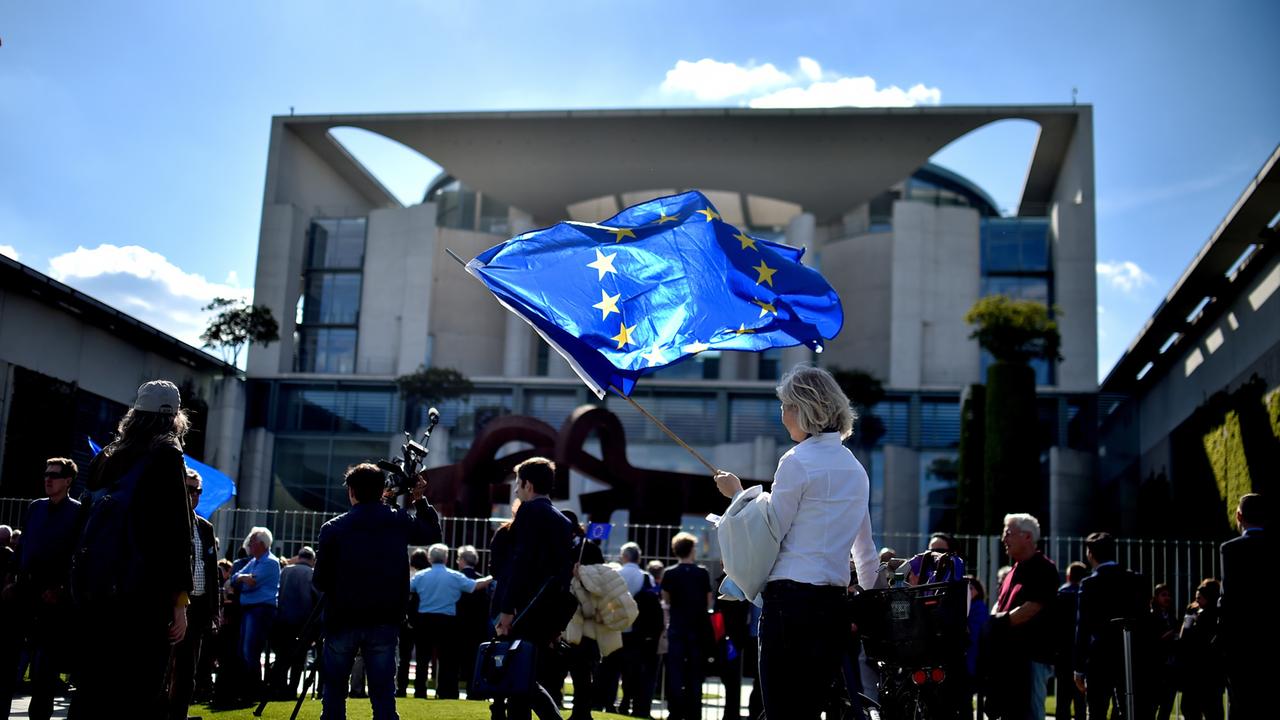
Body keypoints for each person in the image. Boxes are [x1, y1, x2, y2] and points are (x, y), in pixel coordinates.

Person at [713, 364, 878, 720]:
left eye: (786, 405)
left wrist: (737, 494)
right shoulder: (857, 469)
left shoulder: (796, 461)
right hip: (834, 607)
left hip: (790, 603)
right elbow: (865, 552)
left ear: (805, 408)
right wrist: (870, 604)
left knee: (781, 711)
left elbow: (771, 529)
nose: (782, 414)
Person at [71, 380, 194, 719]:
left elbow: (82, 525)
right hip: (143, 596)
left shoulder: (106, 458)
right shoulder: (168, 456)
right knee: (138, 694)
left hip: (96, 593)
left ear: (135, 413)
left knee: (93, 690)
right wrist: (180, 600)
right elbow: (177, 534)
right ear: (174, 417)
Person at [312, 462, 442, 720]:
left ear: (351, 491)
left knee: (334, 691)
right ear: (381, 488)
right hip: (384, 618)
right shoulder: (397, 520)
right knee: (383, 694)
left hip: (342, 618)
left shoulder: (333, 528)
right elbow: (432, 533)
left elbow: (320, 581)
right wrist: (419, 499)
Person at [492, 457, 575, 720]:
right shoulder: (562, 520)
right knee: (523, 679)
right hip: (547, 610)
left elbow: (521, 562)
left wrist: (506, 609)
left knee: (521, 679)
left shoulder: (530, 512)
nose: (516, 490)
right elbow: (564, 572)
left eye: (518, 483)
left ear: (527, 484)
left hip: (523, 609)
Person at [2, 458, 82, 720]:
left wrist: (61, 588)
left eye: (55, 475)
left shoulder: (78, 512)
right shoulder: (35, 508)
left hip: (53, 600)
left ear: (68, 481)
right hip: (24, 591)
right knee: (8, 660)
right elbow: (23, 545)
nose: (48, 479)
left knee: (44, 670)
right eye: (46, 474)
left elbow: (78, 556)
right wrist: (11, 580)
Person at [987, 513, 1059, 720]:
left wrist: (996, 623)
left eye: (1008, 533)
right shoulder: (1011, 572)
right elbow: (1000, 605)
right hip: (1009, 660)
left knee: (1029, 714)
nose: (1004, 539)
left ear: (1027, 537)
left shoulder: (1044, 568)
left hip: (1032, 659)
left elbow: (1031, 609)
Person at [1073, 531, 1149, 720]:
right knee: (1129, 709)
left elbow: (1083, 627)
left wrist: (1079, 668)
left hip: (1100, 656)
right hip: (1130, 654)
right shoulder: (1135, 579)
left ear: (1090, 553)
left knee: (1097, 710)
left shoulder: (1090, 584)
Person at [409, 543, 492, 699]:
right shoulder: (454, 576)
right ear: (446, 558)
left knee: (422, 657)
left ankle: (420, 690)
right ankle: (445, 690)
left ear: (429, 558)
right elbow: (475, 586)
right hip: (447, 620)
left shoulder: (421, 576)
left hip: (424, 619)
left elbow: (408, 588)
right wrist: (491, 577)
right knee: (446, 658)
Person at [169, 467, 221, 720]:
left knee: (188, 669)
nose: (192, 495)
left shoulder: (205, 527)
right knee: (165, 666)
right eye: (187, 489)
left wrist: (215, 608)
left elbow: (212, 569)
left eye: (196, 490)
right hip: (171, 605)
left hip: (199, 606)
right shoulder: (167, 521)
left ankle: (179, 714)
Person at [1218, 492, 1265, 720]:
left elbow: (1229, 597)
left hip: (1241, 639)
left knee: (1240, 703)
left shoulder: (1231, 549)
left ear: (1239, 515)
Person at [660, 532, 712, 720]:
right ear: (691, 549)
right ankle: (693, 712)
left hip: (676, 626)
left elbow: (666, 601)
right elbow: (708, 602)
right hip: (697, 628)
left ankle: (675, 711)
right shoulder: (702, 573)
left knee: (675, 671)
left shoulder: (669, 573)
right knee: (695, 673)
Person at [597, 541, 653, 716]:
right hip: (636, 630)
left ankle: (608, 701)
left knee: (610, 669)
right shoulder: (646, 577)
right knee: (631, 670)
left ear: (624, 556)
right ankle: (626, 703)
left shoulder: (616, 574)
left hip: (614, 628)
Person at [232, 526, 281, 697]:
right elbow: (236, 579)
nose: (249, 545)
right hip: (252, 609)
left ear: (261, 544)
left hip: (260, 610)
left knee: (249, 650)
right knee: (245, 650)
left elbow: (246, 585)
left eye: (252, 542)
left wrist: (240, 581)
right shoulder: (255, 562)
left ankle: (252, 691)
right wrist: (243, 579)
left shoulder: (269, 562)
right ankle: (248, 689)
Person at [271, 545, 319, 697]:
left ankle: (279, 687)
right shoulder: (311, 574)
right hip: (303, 622)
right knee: (299, 658)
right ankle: (292, 689)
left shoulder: (286, 571)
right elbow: (317, 598)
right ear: (312, 560)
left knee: (282, 656)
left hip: (284, 619)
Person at [1176, 579, 1225, 720]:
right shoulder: (1192, 611)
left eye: (1203, 592)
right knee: (1188, 709)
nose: (1198, 594)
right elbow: (1183, 637)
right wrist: (1189, 617)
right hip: (1192, 673)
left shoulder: (1215, 615)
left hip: (1209, 675)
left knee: (1212, 711)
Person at [455, 544, 491, 699]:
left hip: (459, 625)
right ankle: (474, 691)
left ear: (462, 560)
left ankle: (451, 689)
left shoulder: (456, 578)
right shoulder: (482, 580)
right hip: (478, 626)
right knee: (475, 661)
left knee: (456, 660)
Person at [1053, 561, 1088, 720]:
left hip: (1062, 651)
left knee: (1062, 698)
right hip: (1081, 650)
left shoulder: (1060, 594)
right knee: (1080, 698)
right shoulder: (1085, 594)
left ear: (1068, 576)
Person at [1149, 583, 1179, 720]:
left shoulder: (1172, 616)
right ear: (1155, 597)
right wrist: (1166, 637)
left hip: (1171, 669)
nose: (1167, 598)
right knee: (1152, 706)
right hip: (1156, 670)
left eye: (1169, 595)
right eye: (1163, 595)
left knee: (1166, 709)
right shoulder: (1151, 616)